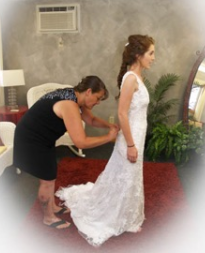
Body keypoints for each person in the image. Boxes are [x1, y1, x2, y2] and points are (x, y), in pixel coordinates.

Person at [55, 34, 155, 246]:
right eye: (151, 53)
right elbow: (122, 114)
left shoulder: (137, 78)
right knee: (127, 175)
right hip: (130, 138)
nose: (154, 58)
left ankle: (127, 215)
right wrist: (130, 144)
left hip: (135, 134)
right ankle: (117, 216)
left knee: (129, 176)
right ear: (138, 55)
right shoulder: (130, 79)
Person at [13, 76, 119, 229]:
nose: (98, 102)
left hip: (42, 137)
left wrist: (109, 126)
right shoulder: (69, 105)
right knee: (47, 179)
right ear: (89, 92)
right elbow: (80, 142)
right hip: (31, 140)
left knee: (51, 173)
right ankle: (48, 218)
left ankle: (53, 207)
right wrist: (108, 138)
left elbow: (92, 120)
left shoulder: (74, 95)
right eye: (98, 98)